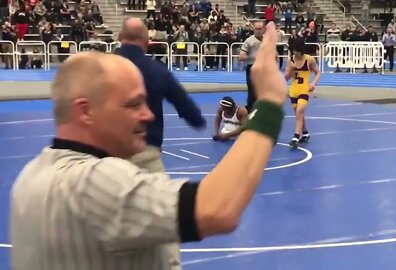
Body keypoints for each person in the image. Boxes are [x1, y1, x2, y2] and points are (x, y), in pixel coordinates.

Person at [10, 21, 287, 270]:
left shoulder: (29, 178)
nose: (148, 115)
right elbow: (217, 207)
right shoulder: (96, 183)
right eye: (132, 104)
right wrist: (269, 103)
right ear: (85, 112)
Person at [117, 18, 206, 173]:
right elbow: (186, 107)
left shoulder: (99, 67)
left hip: (106, 155)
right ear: (146, 42)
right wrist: (197, 120)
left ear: (119, 37)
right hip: (145, 151)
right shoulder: (157, 71)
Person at [284, 38, 320, 148]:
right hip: (293, 90)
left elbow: (318, 72)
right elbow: (286, 78)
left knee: (299, 112)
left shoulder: (309, 60)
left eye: (297, 50)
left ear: (301, 49)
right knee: (299, 115)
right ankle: (305, 133)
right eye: (293, 50)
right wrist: (291, 68)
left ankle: (295, 137)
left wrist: (313, 84)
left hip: (304, 90)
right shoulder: (290, 60)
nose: (295, 53)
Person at [239, 20, 265, 113]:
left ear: (263, 29)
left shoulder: (267, 40)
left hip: (264, 69)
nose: (258, 31)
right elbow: (241, 56)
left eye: (260, 29)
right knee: (253, 90)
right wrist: (253, 57)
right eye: (256, 29)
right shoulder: (249, 41)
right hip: (252, 68)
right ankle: (250, 110)